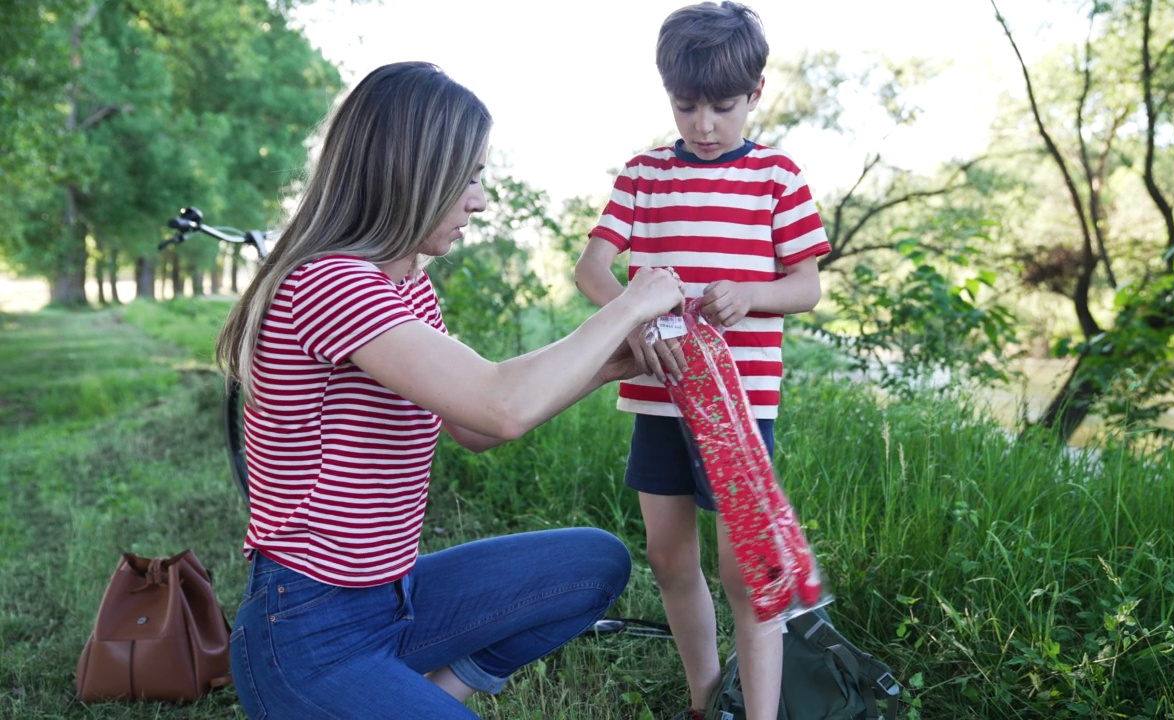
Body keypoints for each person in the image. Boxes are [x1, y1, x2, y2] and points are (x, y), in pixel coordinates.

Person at [213, 61, 685, 720]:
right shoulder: (329, 283)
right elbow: (502, 403)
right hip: (308, 635)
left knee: (593, 564)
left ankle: (437, 692)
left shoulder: (405, 283)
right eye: (469, 178)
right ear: (412, 172)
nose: (481, 200)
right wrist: (627, 307)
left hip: (396, 601)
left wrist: (612, 364)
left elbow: (477, 427)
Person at [572, 3, 831, 719]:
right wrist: (636, 314)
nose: (704, 124)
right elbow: (593, 268)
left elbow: (806, 286)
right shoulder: (645, 174)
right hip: (660, 400)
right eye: (686, 107)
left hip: (740, 409)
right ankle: (703, 697)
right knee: (668, 557)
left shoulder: (778, 176)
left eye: (722, 106)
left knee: (745, 572)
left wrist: (750, 294)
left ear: (756, 93)